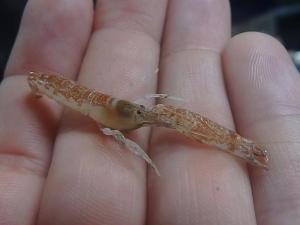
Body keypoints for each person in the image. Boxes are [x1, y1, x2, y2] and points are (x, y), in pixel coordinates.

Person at [1, 0, 299, 224]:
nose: (151, 115)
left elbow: (161, 114)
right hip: (52, 86)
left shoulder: (145, 111)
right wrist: (148, 161)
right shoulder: (96, 116)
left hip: (86, 97)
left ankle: (240, 147)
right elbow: (118, 132)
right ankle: (37, 84)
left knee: (156, 113)